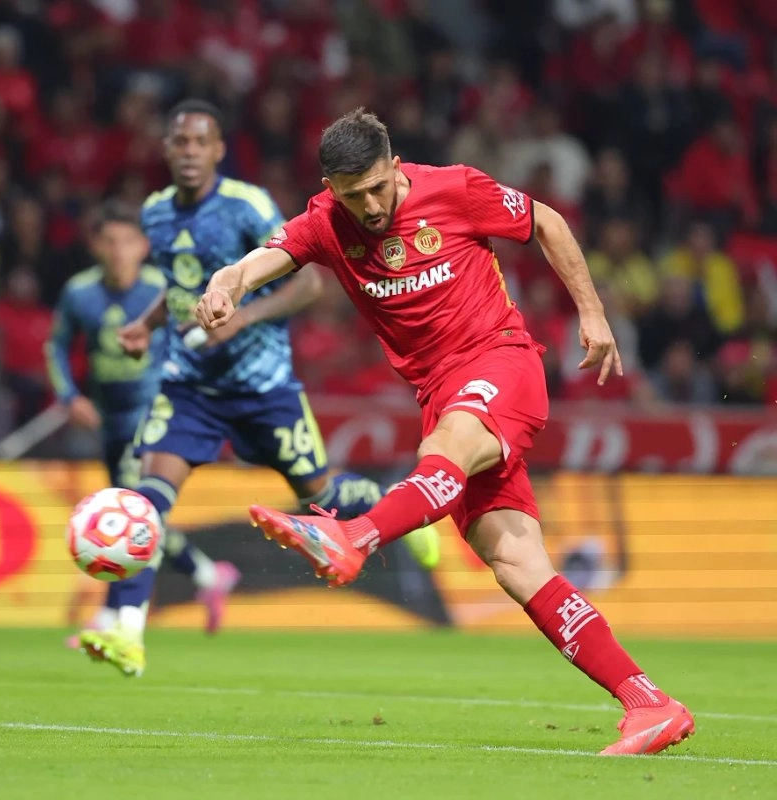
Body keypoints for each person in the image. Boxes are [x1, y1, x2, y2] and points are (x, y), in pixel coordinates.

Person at [195, 108, 694, 756]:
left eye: (377, 188)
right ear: (330, 187)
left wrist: (592, 313)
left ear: (395, 166)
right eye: (353, 196)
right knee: (517, 566)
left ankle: (353, 536)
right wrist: (224, 283)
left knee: (446, 451)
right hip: (438, 392)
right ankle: (647, 702)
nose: (370, 206)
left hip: (501, 362)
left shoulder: (453, 188)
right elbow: (262, 260)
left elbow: (546, 219)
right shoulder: (326, 222)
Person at [77, 99, 441, 677]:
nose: (190, 152)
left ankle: (380, 502)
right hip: (189, 387)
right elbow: (177, 289)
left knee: (319, 495)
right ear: (167, 150)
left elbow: (307, 288)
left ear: (219, 150)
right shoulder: (154, 213)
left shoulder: (248, 206)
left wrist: (242, 317)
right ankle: (126, 631)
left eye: (202, 142)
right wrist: (146, 327)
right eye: (180, 143)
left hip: (263, 388)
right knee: (145, 499)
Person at [46, 201, 240, 647]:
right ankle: (208, 574)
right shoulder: (79, 292)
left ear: (143, 246)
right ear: (97, 246)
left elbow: (196, 340)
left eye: (128, 242)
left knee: (130, 511)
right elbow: (55, 346)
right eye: (109, 242)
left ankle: (115, 613)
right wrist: (69, 396)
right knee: (135, 514)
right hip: (108, 416)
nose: (119, 252)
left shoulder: (160, 289)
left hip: (152, 411)